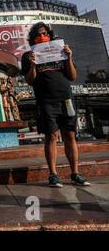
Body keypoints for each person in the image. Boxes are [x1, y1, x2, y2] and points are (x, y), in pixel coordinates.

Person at [21, 22, 90, 187]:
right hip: (46, 101)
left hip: (66, 99)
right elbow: (30, 80)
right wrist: (33, 64)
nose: (42, 37)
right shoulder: (28, 55)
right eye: (38, 35)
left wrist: (69, 57)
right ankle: (53, 174)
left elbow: (72, 76)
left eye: (44, 33)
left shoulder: (61, 51)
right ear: (33, 38)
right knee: (51, 136)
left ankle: (75, 173)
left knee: (70, 135)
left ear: (50, 35)